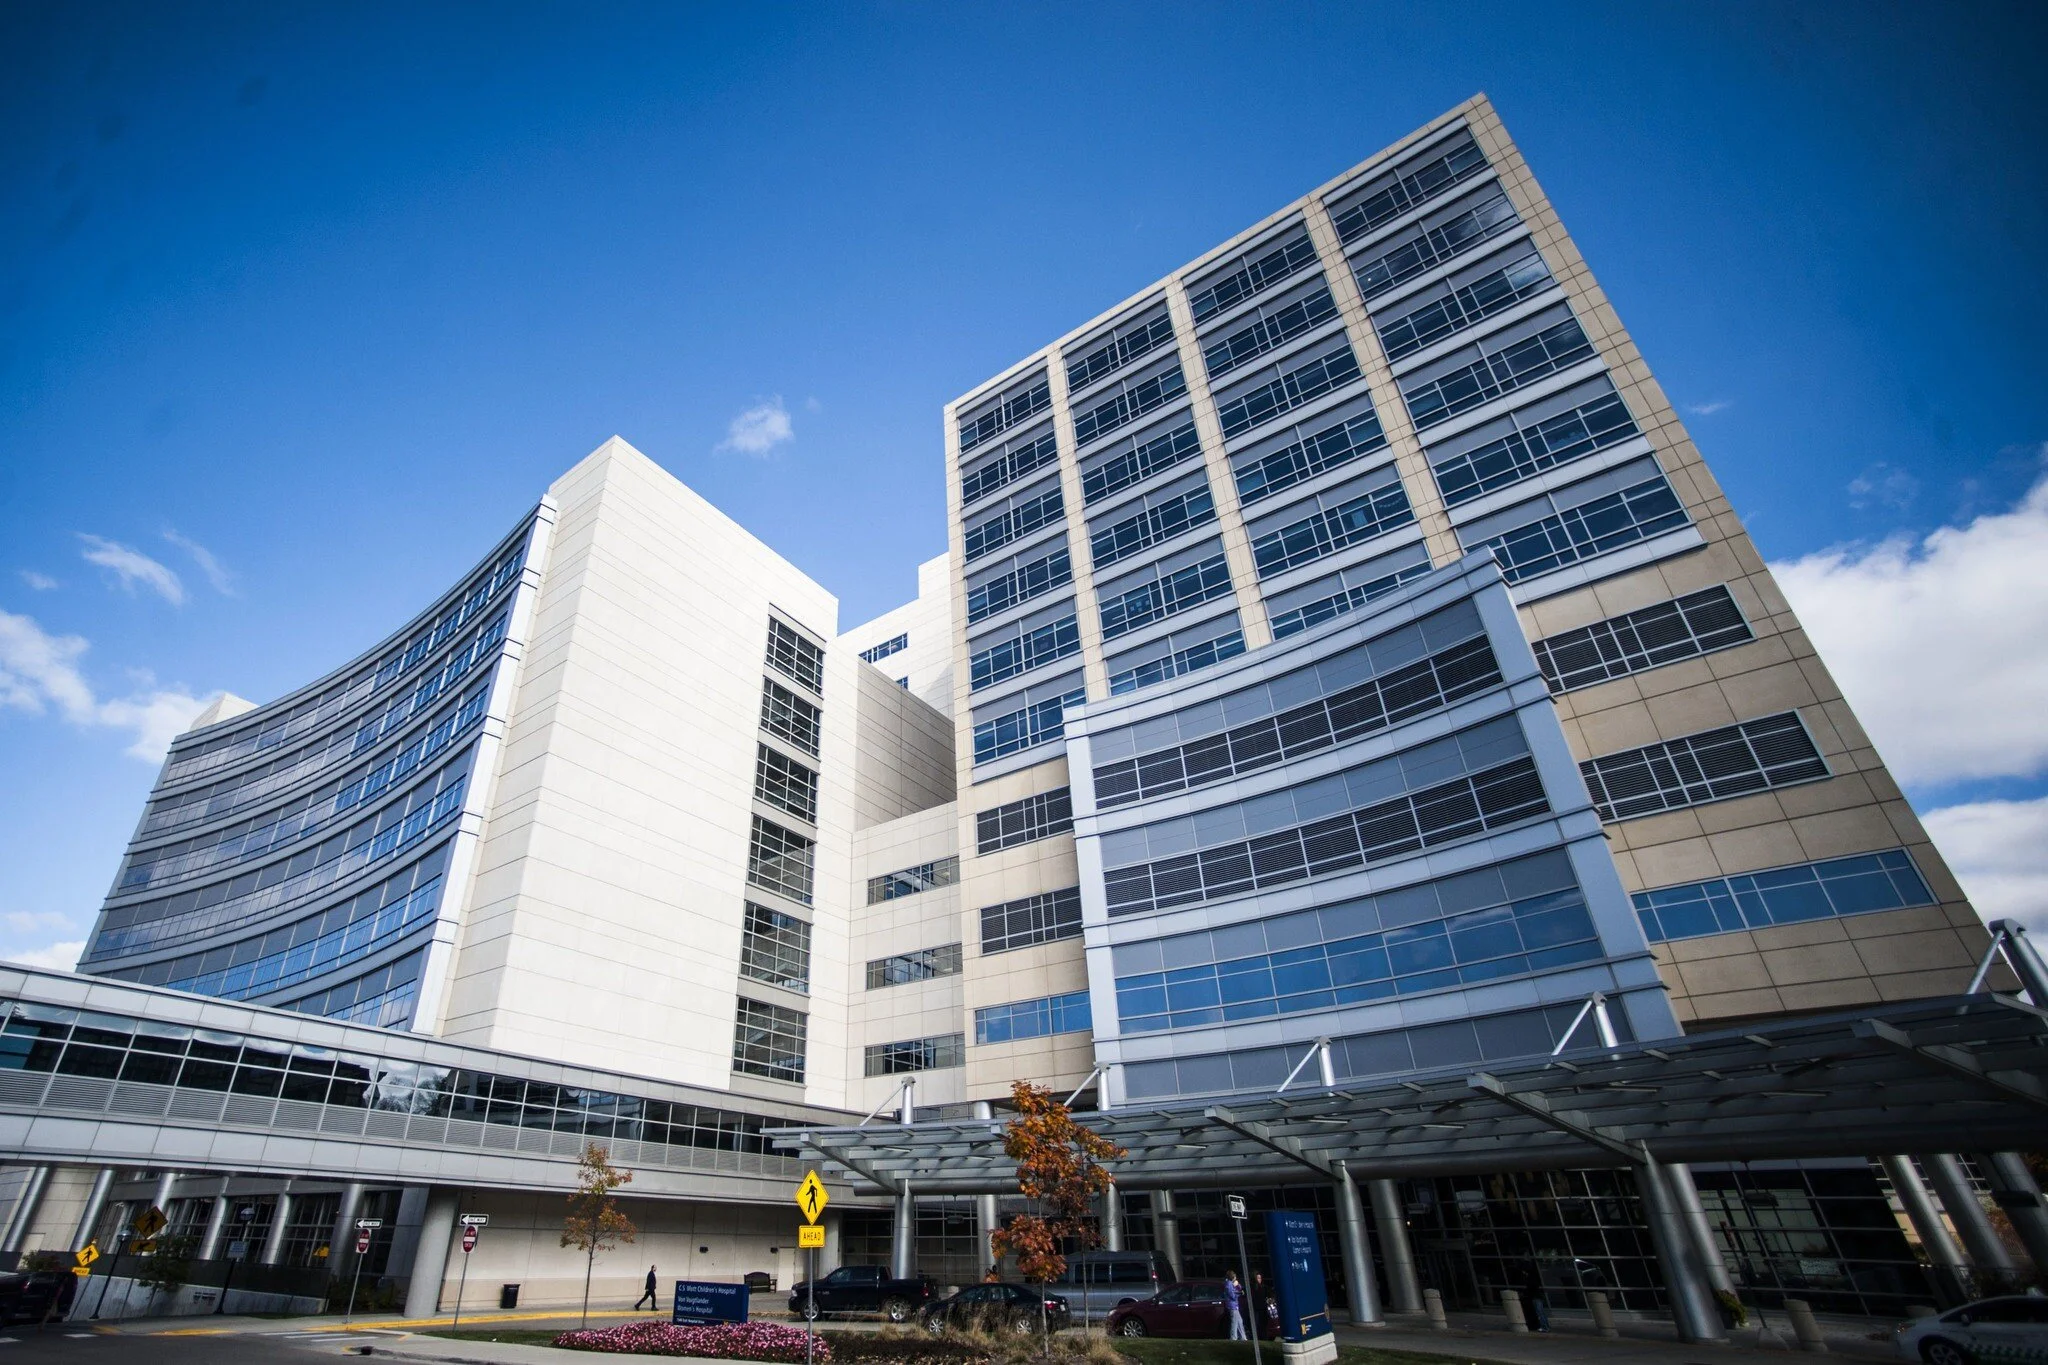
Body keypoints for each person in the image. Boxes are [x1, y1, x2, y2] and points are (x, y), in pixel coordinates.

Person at [1521, 1266, 1550, 1333]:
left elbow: (1531, 1288)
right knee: (1541, 1312)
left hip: (1535, 1297)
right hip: (1538, 1296)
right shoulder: (1534, 1278)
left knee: (1539, 1312)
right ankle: (1546, 1326)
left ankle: (1545, 1327)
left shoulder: (1530, 1279)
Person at [1224, 1270, 1248, 1341]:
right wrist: (1239, 1293)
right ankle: (1233, 1337)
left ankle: (1243, 1337)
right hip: (1232, 1305)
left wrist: (1237, 1285)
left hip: (1235, 1305)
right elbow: (1232, 1295)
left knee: (1239, 1321)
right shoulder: (1228, 1284)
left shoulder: (1231, 1283)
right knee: (1235, 1321)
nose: (1236, 1277)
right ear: (1232, 1276)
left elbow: (1238, 1289)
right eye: (1235, 1276)